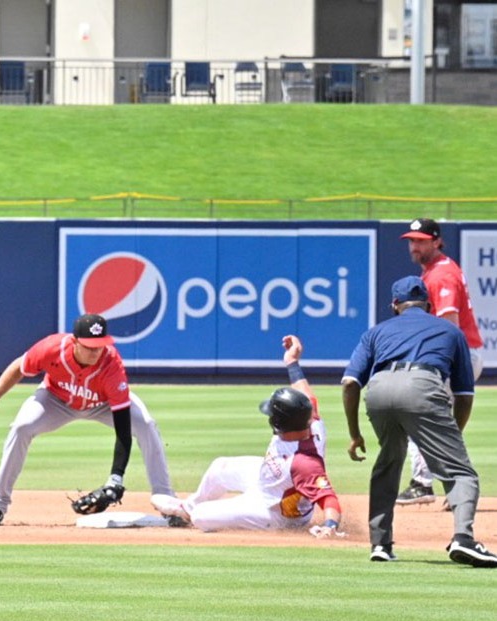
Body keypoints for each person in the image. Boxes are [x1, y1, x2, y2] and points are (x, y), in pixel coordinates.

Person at [0, 313, 175, 526]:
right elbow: (19, 367)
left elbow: (123, 430)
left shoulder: (112, 366)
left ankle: (167, 501)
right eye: (89, 346)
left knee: (146, 425)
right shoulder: (51, 349)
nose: (95, 351)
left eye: (99, 345)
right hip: (55, 401)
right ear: (74, 342)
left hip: (102, 405)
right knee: (22, 427)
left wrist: (115, 478)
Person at [341, 275, 496, 567]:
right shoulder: (450, 331)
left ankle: (380, 545)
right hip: (423, 386)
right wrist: (452, 437)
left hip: (379, 388)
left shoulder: (376, 331)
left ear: (394, 304)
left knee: (389, 461)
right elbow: (463, 393)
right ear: (429, 304)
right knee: (461, 472)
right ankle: (464, 539)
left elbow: (350, 383)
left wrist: (354, 434)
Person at [150, 335, 344, 539]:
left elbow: (328, 498)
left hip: (276, 513)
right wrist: (291, 361)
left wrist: (330, 525)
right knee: (220, 466)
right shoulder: (308, 419)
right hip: (269, 481)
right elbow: (305, 395)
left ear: (278, 423)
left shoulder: (304, 463)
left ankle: (192, 513)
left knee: (201, 517)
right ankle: (186, 507)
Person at [396, 217, 485, 506]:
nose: (414, 246)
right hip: (456, 355)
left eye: (421, 240)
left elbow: (449, 323)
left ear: (437, 241)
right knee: (436, 424)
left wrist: (440, 364)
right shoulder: (436, 271)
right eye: (411, 240)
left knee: (420, 417)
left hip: (452, 356)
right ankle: (452, 485)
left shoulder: (441, 275)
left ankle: (425, 484)